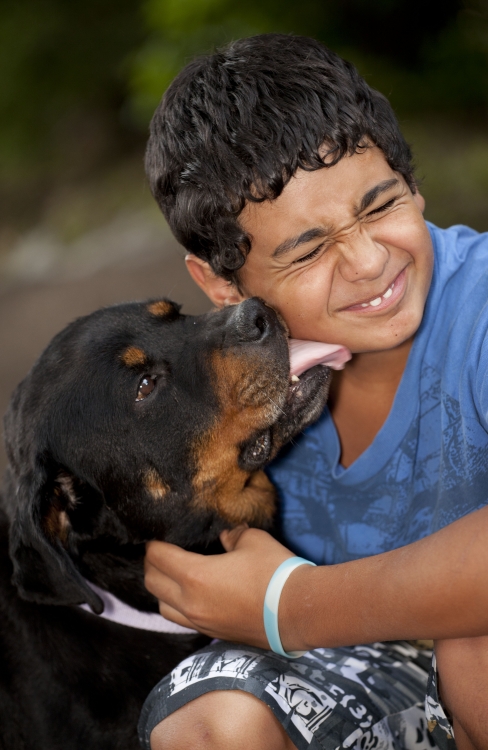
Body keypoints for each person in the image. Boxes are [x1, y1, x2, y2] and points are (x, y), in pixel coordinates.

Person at [138, 34, 488, 750]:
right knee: (206, 722)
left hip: (451, 653)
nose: (366, 261)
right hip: (359, 668)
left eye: (380, 205)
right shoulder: (221, 390)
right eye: (308, 249)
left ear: (411, 181)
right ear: (221, 284)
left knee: (477, 654)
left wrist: (286, 604)